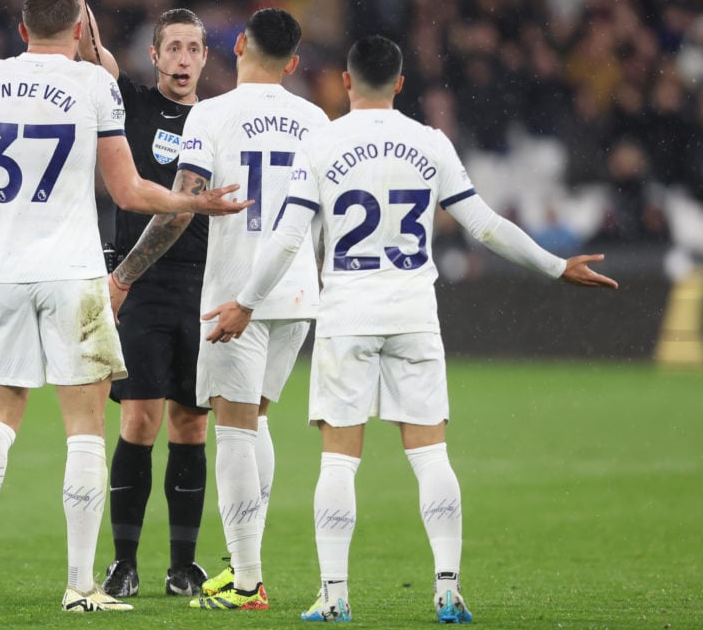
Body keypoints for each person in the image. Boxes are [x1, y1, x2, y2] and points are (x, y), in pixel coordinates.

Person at [203, 35, 620, 624]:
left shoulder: (322, 143)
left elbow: (288, 239)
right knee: (430, 455)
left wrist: (245, 303)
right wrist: (556, 265)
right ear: (400, 84)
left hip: (347, 315)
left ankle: (335, 595)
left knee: (339, 462)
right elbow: (484, 225)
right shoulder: (431, 143)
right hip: (413, 313)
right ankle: (447, 589)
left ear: (346, 82)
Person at [0, 0, 249, 613]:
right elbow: (132, 192)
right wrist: (196, 200)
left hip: (1, 271)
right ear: (80, 31)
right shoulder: (95, 88)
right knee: (85, 431)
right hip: (77, 274)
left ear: (23, 29)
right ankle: (82, 584)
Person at [108, 7, 330, 611]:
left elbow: (182, 208)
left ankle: (246, 578)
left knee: (229, 430)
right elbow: (328, 215)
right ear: (292, 62)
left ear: (234, 47)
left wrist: (123, 273)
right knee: (254, 420)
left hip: (235, 289)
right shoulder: (315, 118)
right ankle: (237, 565)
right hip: (296, 294)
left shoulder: (211, 114)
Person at [50, 0, 214, 598]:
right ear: (154, 55)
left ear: (206, 58)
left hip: (205, 287)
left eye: (193, 47)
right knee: (139, 418)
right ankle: (123, 561)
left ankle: (182, 564)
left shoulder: (220, 121)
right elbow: (87, 48)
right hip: (139, 288)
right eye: (171, 46)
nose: (182, 57)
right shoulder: (132, 103)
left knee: (192, 422)